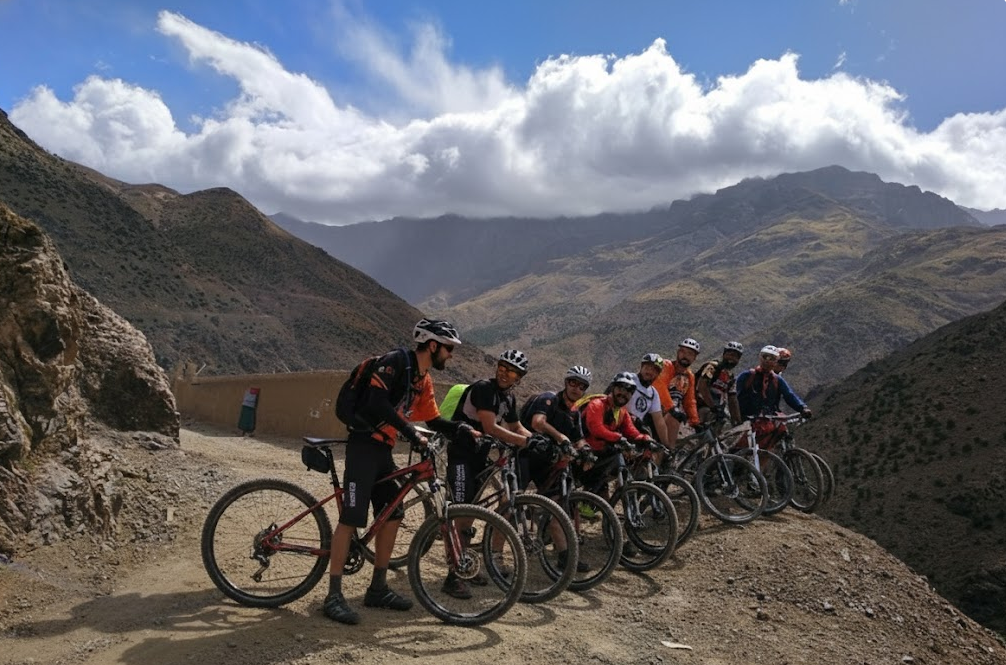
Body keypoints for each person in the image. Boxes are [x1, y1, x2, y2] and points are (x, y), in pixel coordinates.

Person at [323, 319, 468, 624]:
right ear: (433, 345)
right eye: (449, 349)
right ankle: (333, 595)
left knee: (394, 514)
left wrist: (464, 430)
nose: (451, 355)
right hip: (363, 446)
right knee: (351, 518)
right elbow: (376, 402)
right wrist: (410, 433)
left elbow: (434, 421)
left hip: (384, 450)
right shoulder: (396, 362)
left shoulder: (423, 380)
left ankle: (377, 589)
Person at [443, 348, 535, 598]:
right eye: (503, 368)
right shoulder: (484, 388)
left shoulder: (509, 398)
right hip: (461, 455)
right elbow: (490, 427)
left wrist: (538, 439)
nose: (505, 374)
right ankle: (453, 576)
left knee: (474, 512)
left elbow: (516, 426)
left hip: (480, 457)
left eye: (512, 371)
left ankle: (465, 565)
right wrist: (525, 443)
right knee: (463, 513)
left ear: (519, 377)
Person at [518, 364, 594, 572]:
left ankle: (565, 558)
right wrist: (560, 437)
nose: (576, 388)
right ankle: (496, 553)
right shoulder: (548, 399)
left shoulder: (574, 414)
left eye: (581, 386)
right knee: (510, 504)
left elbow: (579, 439)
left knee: (557, 509)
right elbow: (537, 422)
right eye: (572, 383)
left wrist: (586, 451)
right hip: (524, 456)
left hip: (546, 464)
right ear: (565, 383)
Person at [577, 372, 654, 494]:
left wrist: (645, 438)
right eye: (620, 388)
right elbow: (597, 429)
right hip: (582, 452)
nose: (623, 393)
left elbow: (631, 431)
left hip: (600, 452)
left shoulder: (622, 411)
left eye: (628, 391)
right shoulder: (597, 404)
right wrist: (619, 438)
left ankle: (593, 498)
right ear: (612, 388)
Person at [735, 345, 812, 420]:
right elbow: (735, 396)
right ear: (760, 358)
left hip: (770, 419)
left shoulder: (777, 380)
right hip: (746, 419)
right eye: (765, 357)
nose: (767, 361)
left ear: (776, 361)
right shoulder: (747, 376)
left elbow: (789, 395)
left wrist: (802, 408)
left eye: (772, 358)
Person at [653, 338, 702, 448]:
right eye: (683, 352)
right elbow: (660, 386)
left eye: (690, 354)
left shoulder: (689, 376)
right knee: (673, 424)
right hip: (656, 410)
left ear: (694, 358)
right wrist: (671, 408)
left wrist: (695, 422)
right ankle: (667, 452)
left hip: (671, 413)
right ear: (678, 352)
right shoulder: (667, 366)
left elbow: (690, 401)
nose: (685, 356)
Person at [694, 341, 744, 426]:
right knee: (706, 418)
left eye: (736, 357)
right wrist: (713, 407)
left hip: (717, 407)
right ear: (724, 354)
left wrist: (738, 421)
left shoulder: (731, 377)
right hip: (700, 404)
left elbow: (733, 399)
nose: (732, 359)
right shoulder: (713, 367)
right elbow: (702, 386)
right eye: (730, 354)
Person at [627, 354, 671, 446]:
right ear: (642, 367)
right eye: (647, 367)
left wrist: (666, 445)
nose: (650, 371)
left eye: (654, 370)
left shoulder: (653, 393)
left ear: (658, 374)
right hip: (618, 422)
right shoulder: (629, 379)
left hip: (635, 429)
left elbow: (659, 421)